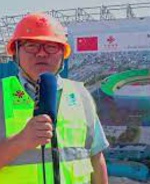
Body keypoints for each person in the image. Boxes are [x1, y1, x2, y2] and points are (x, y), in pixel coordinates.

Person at [0, 12, 109, 184]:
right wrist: (20, 141)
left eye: (51, 46)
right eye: (31, 45)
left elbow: (96, 157)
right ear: (15, 52)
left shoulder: (81, 95)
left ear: (63, 54)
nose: (42, 54)